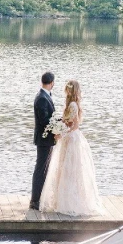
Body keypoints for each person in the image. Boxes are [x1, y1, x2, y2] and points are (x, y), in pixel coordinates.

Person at [40, 79, 104, 216]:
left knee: (71, 170)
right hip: (68, 139)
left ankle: (71, 201)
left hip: (72, 139)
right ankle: (63, 200)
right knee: (64, 170)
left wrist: (60, 134)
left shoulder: (73, 105)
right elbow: (67, 123)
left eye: (67, 89)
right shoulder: (70, 104)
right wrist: (59, 129)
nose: (66, 92)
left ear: (71, 90)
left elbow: (74, 126)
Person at [30, 71, 57, 210]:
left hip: (47, 139)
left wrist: (58, 123)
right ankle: (35, 201)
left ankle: (39, 198)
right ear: (52, 83)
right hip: (43, 139)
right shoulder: (41, 98)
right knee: (40, 169)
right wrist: (59, 125)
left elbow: (48, 120)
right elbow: (44, 121)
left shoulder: (45, 96)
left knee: (44, 169)